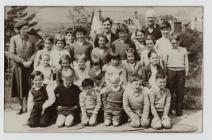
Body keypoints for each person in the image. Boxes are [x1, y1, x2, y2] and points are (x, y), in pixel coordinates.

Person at [10, 20, 37, 115]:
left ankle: (29, 105)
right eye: (24, 29)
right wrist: (22, 61)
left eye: (27, 28)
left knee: (30, 85)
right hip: (19, 66)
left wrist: (30, 61)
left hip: (30, 66)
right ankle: (20, 106)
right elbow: (12, 54)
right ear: (19, 30)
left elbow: (36, 52)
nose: (26, 30)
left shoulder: (32, 38)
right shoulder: (14, 39)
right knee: (19, 86)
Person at [165, 33, 189, 116]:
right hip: (170, 71)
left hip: (181, 72)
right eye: (172, 43)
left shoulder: (183, 50)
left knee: (180, 92)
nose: (174, 45)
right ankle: (169, 111)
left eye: (176, 43)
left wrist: (186, 71)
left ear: (179, 42)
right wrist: (165, 73)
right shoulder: (167, 50)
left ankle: (179, 112)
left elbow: (186, 61)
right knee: (169, 92)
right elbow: (165, 62)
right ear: (170, 42)